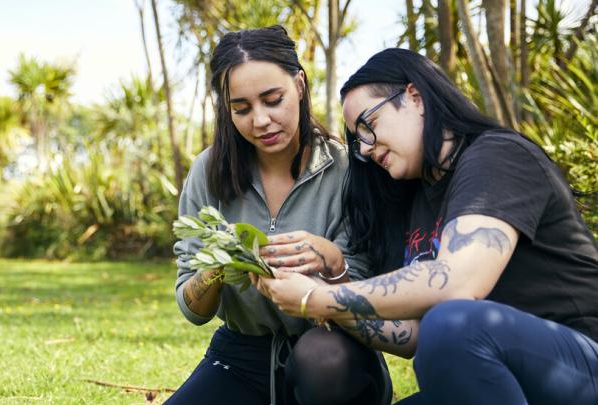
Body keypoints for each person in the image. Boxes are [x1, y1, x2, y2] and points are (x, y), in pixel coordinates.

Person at [255, 48, 598, 404]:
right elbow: (412, 334)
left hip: (580, 367)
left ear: (415, 97)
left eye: (369, 125)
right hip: (494, 375)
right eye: (358, 139)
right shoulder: (417, 200)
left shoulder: (497, 156)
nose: (366, 149)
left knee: (451, 324)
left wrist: (315, 299)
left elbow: (458, 283)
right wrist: (329, 282)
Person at [168, 26, 392, 405]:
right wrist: (217, 265)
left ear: (299, 85)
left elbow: (364, 287)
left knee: (322, 361)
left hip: (332, 352)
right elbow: (193, 309)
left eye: (273, 100)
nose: (260, 120)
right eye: (241, 109)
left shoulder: (348, 169)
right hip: (242, 355)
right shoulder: (208, 172)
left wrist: (328, 262)